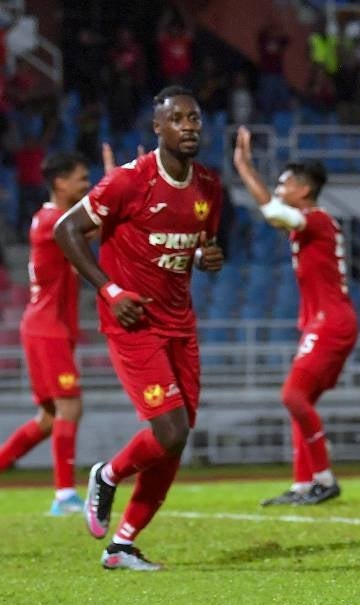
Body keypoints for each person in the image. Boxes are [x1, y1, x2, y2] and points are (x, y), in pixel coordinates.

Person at [54, 86, 224, 570]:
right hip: (132, 320)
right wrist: (110, 291)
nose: (189, 126)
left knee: (177, 435)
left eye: (195, 118)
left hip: (179, 323)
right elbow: (66, 230)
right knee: (169, 428)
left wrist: (205, 256)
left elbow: (194, 246)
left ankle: (122, 544)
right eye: (178, 119)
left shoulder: (209, 187)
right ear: (158, 127)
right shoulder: (129, 181)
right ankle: (107, 475)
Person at [232, 126, 358, 506]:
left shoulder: (315, 219)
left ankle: (323, 479)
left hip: (331, 323)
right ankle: (303, 484)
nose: (279, 188)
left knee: (292, 395)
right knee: (299, 402)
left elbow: (271, 212)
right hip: (325, 322)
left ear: (303, 190)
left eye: (284, 183)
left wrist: (243, 166)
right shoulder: (310, 225)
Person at [0, 152, 90, 515]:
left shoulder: (53, 219)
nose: (85, 185)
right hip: (47, 329)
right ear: (60, 182)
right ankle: (65, 495)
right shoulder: (53, 221)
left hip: (51, 328)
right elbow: (94, 228)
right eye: (81, 178)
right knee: (71, 406)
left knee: (50, 418)